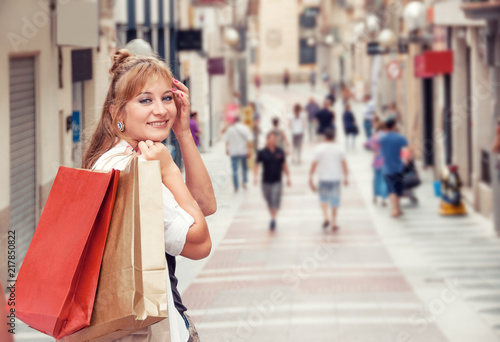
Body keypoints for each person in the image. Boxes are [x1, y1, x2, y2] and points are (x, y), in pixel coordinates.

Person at [83, 49, 216, 342]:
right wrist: (168, 170)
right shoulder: (136, 167)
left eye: (167, 97)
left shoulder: (110, 158)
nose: (161, 109)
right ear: (118, 113)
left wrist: (183, 133)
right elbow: (200, 243)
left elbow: (204, 204)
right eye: (145, 100)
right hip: (150, 328)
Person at [309, 128, 348, 231]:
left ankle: (326, 217)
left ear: (324, 137)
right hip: (335, 178)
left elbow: (314, 164)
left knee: (323, 198)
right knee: (335, 199)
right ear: (334, 137)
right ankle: (334, 222)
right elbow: (344, 164)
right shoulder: (340, 149)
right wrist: (346, 177)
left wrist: (310, 176)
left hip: (323, 178)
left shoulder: (319, 148)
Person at [254, 132, 291, 230]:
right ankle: (272, 216)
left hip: (277, 181)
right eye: (271, 139)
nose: (272, 141)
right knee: (269, 200)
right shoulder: (262, 152)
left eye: (274, 139)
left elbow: (284, 165)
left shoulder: (280, 152)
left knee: (275, 199)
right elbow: (256, 164)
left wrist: (288, 177)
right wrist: (255, 177)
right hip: (265, 181)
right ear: (267, 140)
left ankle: (273, 218)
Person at [379, 116, 409, 218]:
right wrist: (406, 160)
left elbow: (375, 147)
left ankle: (395, 209)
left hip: (387, 168)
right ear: (394, 126)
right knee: (398, 189)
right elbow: (407, 150)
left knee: (391, 189)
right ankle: (397, 209)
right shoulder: (400, 138)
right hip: (399, 167)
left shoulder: (383, 138)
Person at [225, 116, 253, 192]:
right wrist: (249, 150)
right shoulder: (245, 128)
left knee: (234, 169)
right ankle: (244, 182)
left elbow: (227, 141)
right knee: (244, 167)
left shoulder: (230, 129)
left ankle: (236, 186)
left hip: (233, 152)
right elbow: (249, 140)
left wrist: (226, 150)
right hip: (243, 151)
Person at [366, 117, 388, 206]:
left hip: (376, 160)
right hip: (385, 161)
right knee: (384, 180)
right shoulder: (386, 136)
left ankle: (374, 196)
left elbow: (368, 145)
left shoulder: (374, 136)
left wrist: (375, 150)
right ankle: (383, 199)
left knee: (376, 179)